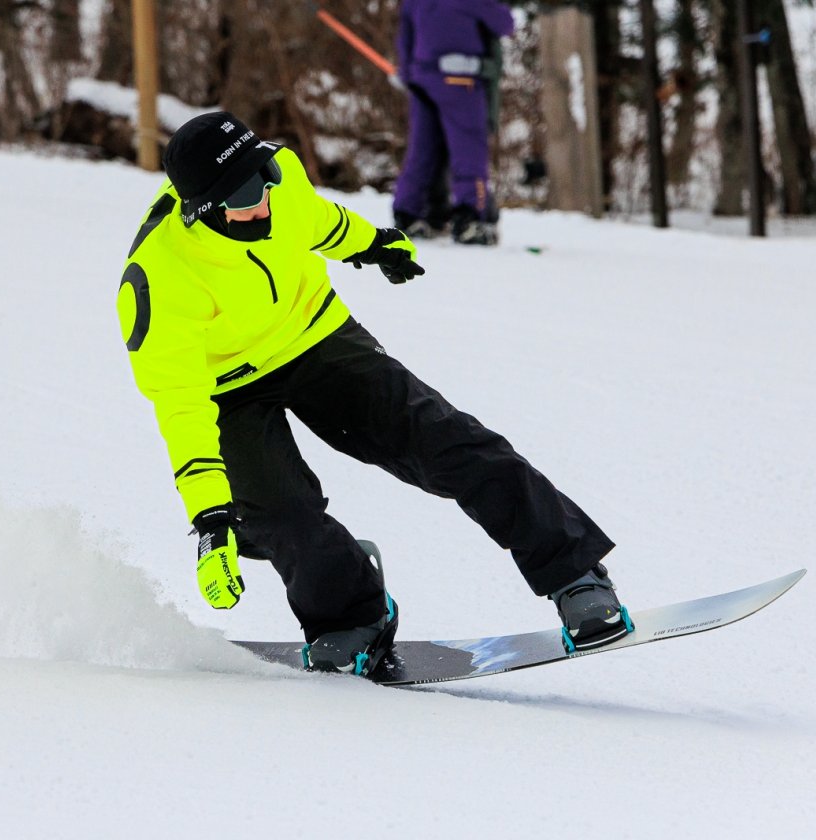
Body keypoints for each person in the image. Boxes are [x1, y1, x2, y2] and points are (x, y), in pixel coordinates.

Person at [116, 111, 629, 675]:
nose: (263, 198)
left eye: (263, 177)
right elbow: (181, 406)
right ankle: (350, 616)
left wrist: (374, 245)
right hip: (225, 389)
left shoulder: (279, 181)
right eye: (242, 195)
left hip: (316, 334)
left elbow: (317, 220)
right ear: (201, 210)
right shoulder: (158, 279)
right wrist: (212, 523)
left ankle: (574, 574)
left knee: (441, 439)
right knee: (282, 517)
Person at [393, 0, 514, 246]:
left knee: (423, 149)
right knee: (469, 150)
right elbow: (504, 23)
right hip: (460, 81)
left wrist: (407, 74)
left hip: (422, 81)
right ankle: (470, 217)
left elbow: (405, 35)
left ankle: (408, 212)